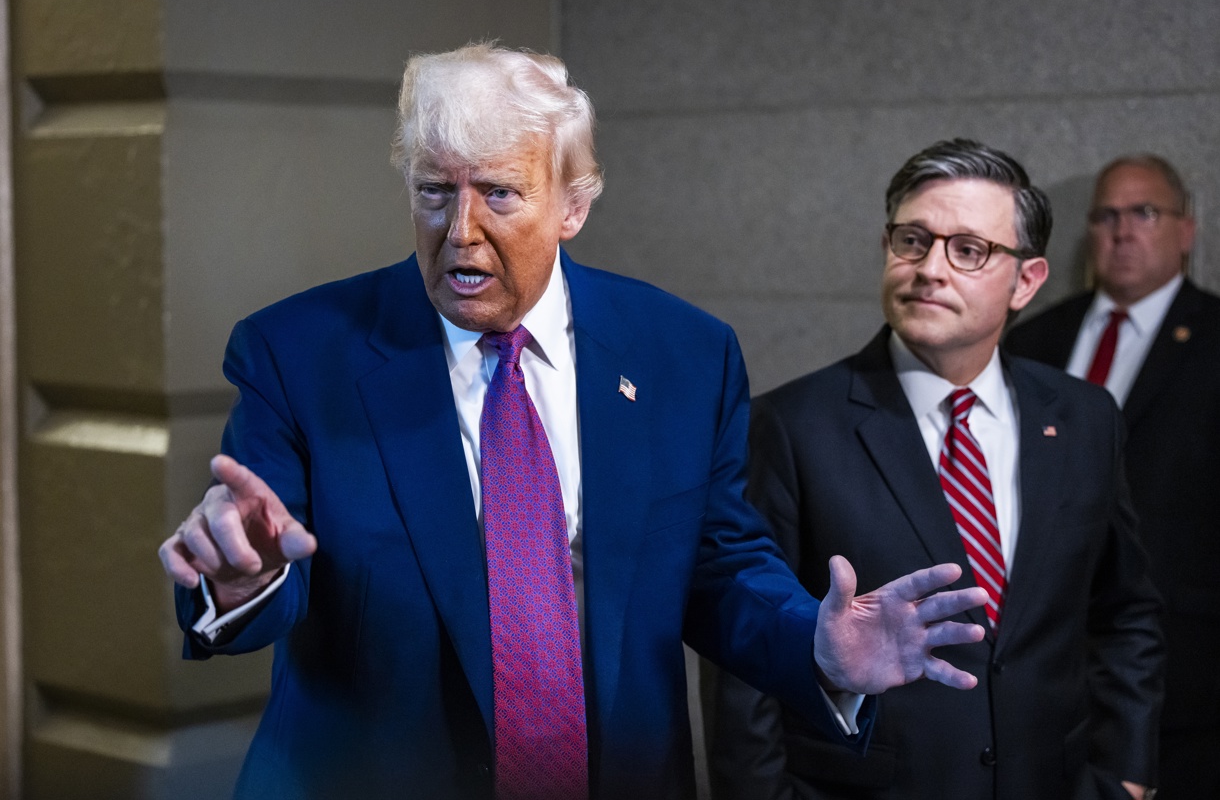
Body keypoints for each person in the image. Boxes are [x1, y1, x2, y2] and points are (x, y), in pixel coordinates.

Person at [157, 45, 988, 800]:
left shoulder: (683, 354)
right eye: (435, 192)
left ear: (572, 206)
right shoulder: (297, 352)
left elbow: (716, 564)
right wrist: (241, 582)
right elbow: (266, 559)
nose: (461, 231)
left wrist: (815, 644)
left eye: (499, 194)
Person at [708, 139, 1164, 800]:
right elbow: (744, 659)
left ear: (1026, 281)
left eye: (968, 250)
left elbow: (1124, 611)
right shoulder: (790, 426)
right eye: (913, 241)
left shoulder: (1086, 419)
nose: (930, 269)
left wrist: (1129, 773)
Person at [1007, 154, 1219, 798]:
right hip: (1038, 673)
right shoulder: (1031, 340)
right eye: (1107, 216)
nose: (1123, 231)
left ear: (1186, 230)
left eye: (1144, 213)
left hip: (1186, 681)